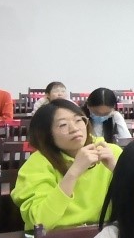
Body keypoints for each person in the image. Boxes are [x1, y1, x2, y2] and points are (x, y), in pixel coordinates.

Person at [11, 99, 121, 231]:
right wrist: (74, 172)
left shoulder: (110, 152)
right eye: (63, 125)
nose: (74, 128)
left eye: (78, 120)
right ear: (46, 134)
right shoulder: (37, 164)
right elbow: (39, 223)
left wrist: (117, 169)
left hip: (105, 234)